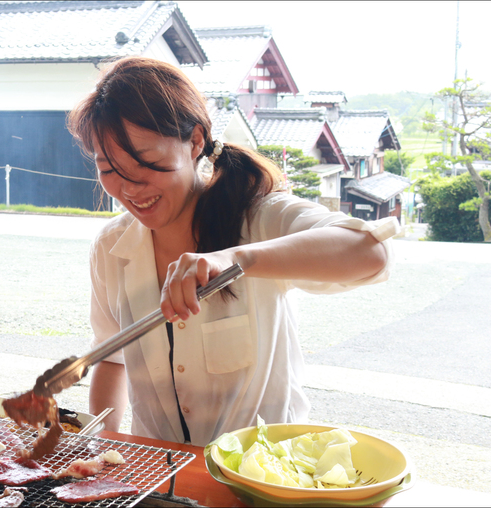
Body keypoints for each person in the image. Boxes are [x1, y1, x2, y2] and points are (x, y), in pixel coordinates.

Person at [67, 57, 399, 446]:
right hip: (160, 479)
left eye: (148, 163)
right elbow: (111, 356)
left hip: (260, 478)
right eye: (109, 169)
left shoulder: (261, 216)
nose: (131, 188)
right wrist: (104, 448)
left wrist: (236, 259)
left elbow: (370, 253)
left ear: (195, 141)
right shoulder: (111, 247)